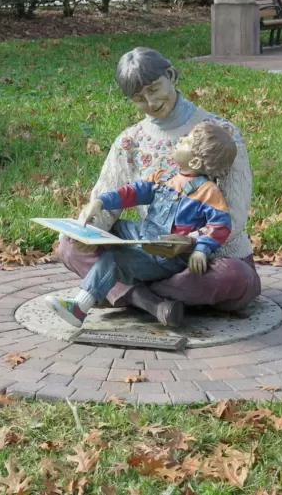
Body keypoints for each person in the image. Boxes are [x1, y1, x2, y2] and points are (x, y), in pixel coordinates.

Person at [55, 47, 260, 326]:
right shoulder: (130, 141)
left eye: (154, 88)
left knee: (236, 279)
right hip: (145, 251)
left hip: (203, 259)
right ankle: (154, 304)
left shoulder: (221, 134)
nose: (151, 102)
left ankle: (127, 294)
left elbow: (232, 215)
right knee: (68, 247)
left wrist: (191, 244)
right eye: (139, 98)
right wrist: (87, 227)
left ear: (171, 75)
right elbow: (110, 198)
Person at [45, 121, 236, 328]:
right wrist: (101, 202)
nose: (180, 140)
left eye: (186, 141)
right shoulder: (165, 177)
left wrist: (201, 249)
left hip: (165, 254)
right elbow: (133, 191)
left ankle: (80, 306)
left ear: (197, 163)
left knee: (115, 260)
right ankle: (100, 271)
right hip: (144, 234)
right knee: (114, 228)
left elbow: (221, 225)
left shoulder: (207, 192)